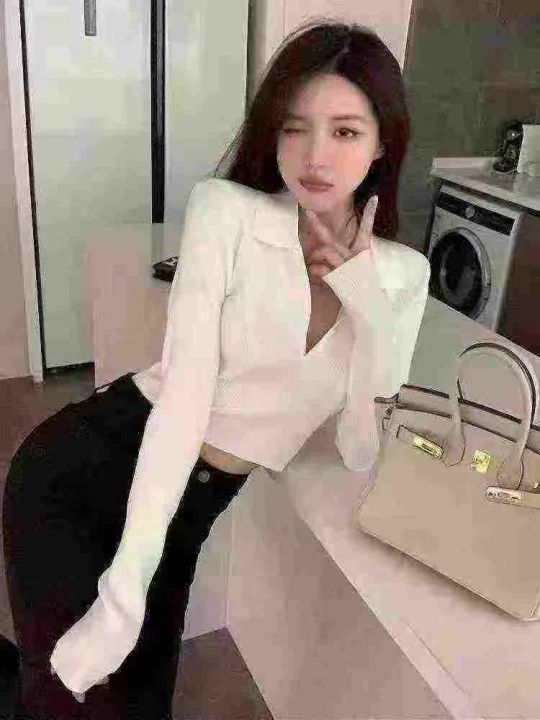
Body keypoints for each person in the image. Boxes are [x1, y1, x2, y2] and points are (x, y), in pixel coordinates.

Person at [2, 18, 431, 719]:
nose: (315, 155)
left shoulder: (404, 276)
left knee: (133, 706)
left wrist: (365, 303)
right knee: (64, 699)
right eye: (295, 128)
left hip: (189, 514)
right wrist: (122, 594)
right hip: (88, 470)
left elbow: (360, 442)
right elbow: (184, 399)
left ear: (383, 143)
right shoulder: (226, 211)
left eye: (346, 132)